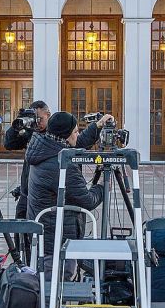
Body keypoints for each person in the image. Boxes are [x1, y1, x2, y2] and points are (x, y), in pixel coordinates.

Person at [25, 112, 105, 277]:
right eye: (75, 131)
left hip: (45, 233)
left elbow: (78, 143)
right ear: (66, 136)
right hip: (55, 240)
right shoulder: (61, 164)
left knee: (51, 283)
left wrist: (98, 126)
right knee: (55, 286)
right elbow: (87, 200)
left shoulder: (46, 147)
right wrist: (103, 185)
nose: (78, 134)